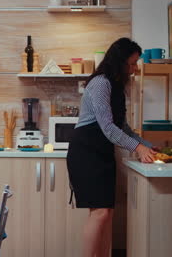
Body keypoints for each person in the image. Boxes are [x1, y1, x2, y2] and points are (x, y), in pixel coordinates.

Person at [66, 37, 156, 257]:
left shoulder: (117, 87)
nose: (135, 68)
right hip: (86, 151)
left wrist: (149, 147)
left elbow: (122, 128)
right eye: (132, 63)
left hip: (103, 153)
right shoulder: (100, 83)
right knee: (100, 213)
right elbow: (107, 127)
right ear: (119, 61)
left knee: (106, 213)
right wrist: (139, 148)